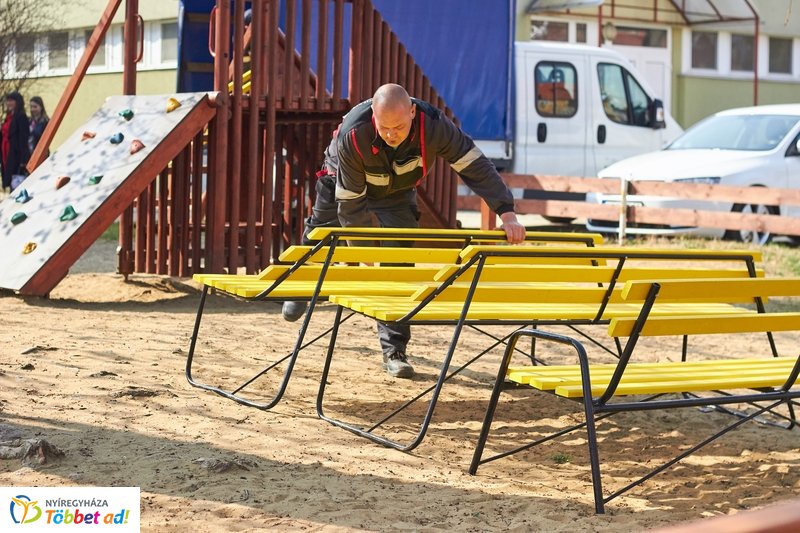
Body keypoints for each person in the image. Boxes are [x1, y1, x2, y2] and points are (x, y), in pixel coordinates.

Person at [282, 83, 526, 379]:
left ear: (412, 111)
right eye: (384, 128)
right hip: (344, 179)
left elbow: (474, 166)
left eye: (398, 127)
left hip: (396, 190)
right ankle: (299, 284)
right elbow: (350, 203)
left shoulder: (435, 126)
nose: (391, 134)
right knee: (321, 231)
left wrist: (507, 212)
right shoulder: (354, 133)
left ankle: (394, 351)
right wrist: (360, 247)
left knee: (397, 262)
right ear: (373, 114)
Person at [0, 91, 30, 192]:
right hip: (6, 154)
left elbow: (23, 139)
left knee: (15, 185)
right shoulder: (8, 118)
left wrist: (23, 161)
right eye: (7, 101)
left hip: (16, 155)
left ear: (18, 102)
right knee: (9, 183)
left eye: (11, 100)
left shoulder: (21, 117)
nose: (8, 103)